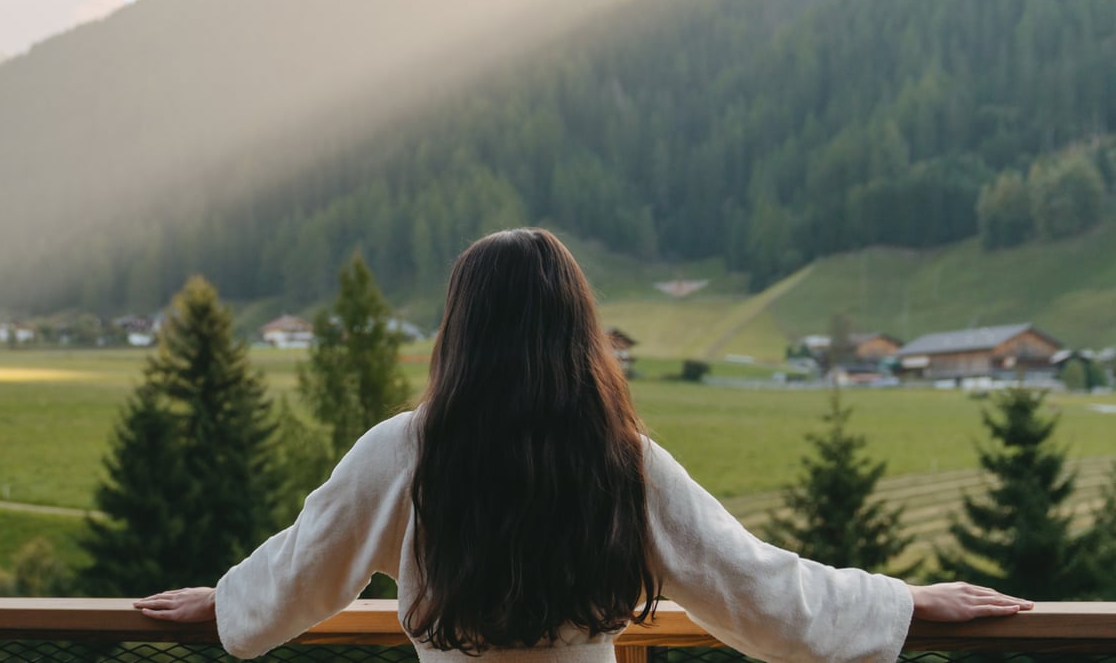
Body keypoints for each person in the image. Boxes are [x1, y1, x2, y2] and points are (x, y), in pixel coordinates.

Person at [135, 228, 1030, 661]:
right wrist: (904, 605)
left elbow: (298, 574)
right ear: (579, 329)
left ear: (461, 328)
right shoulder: (622, 463)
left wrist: (224, 606)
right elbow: (758, 589)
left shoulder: (403, 453)